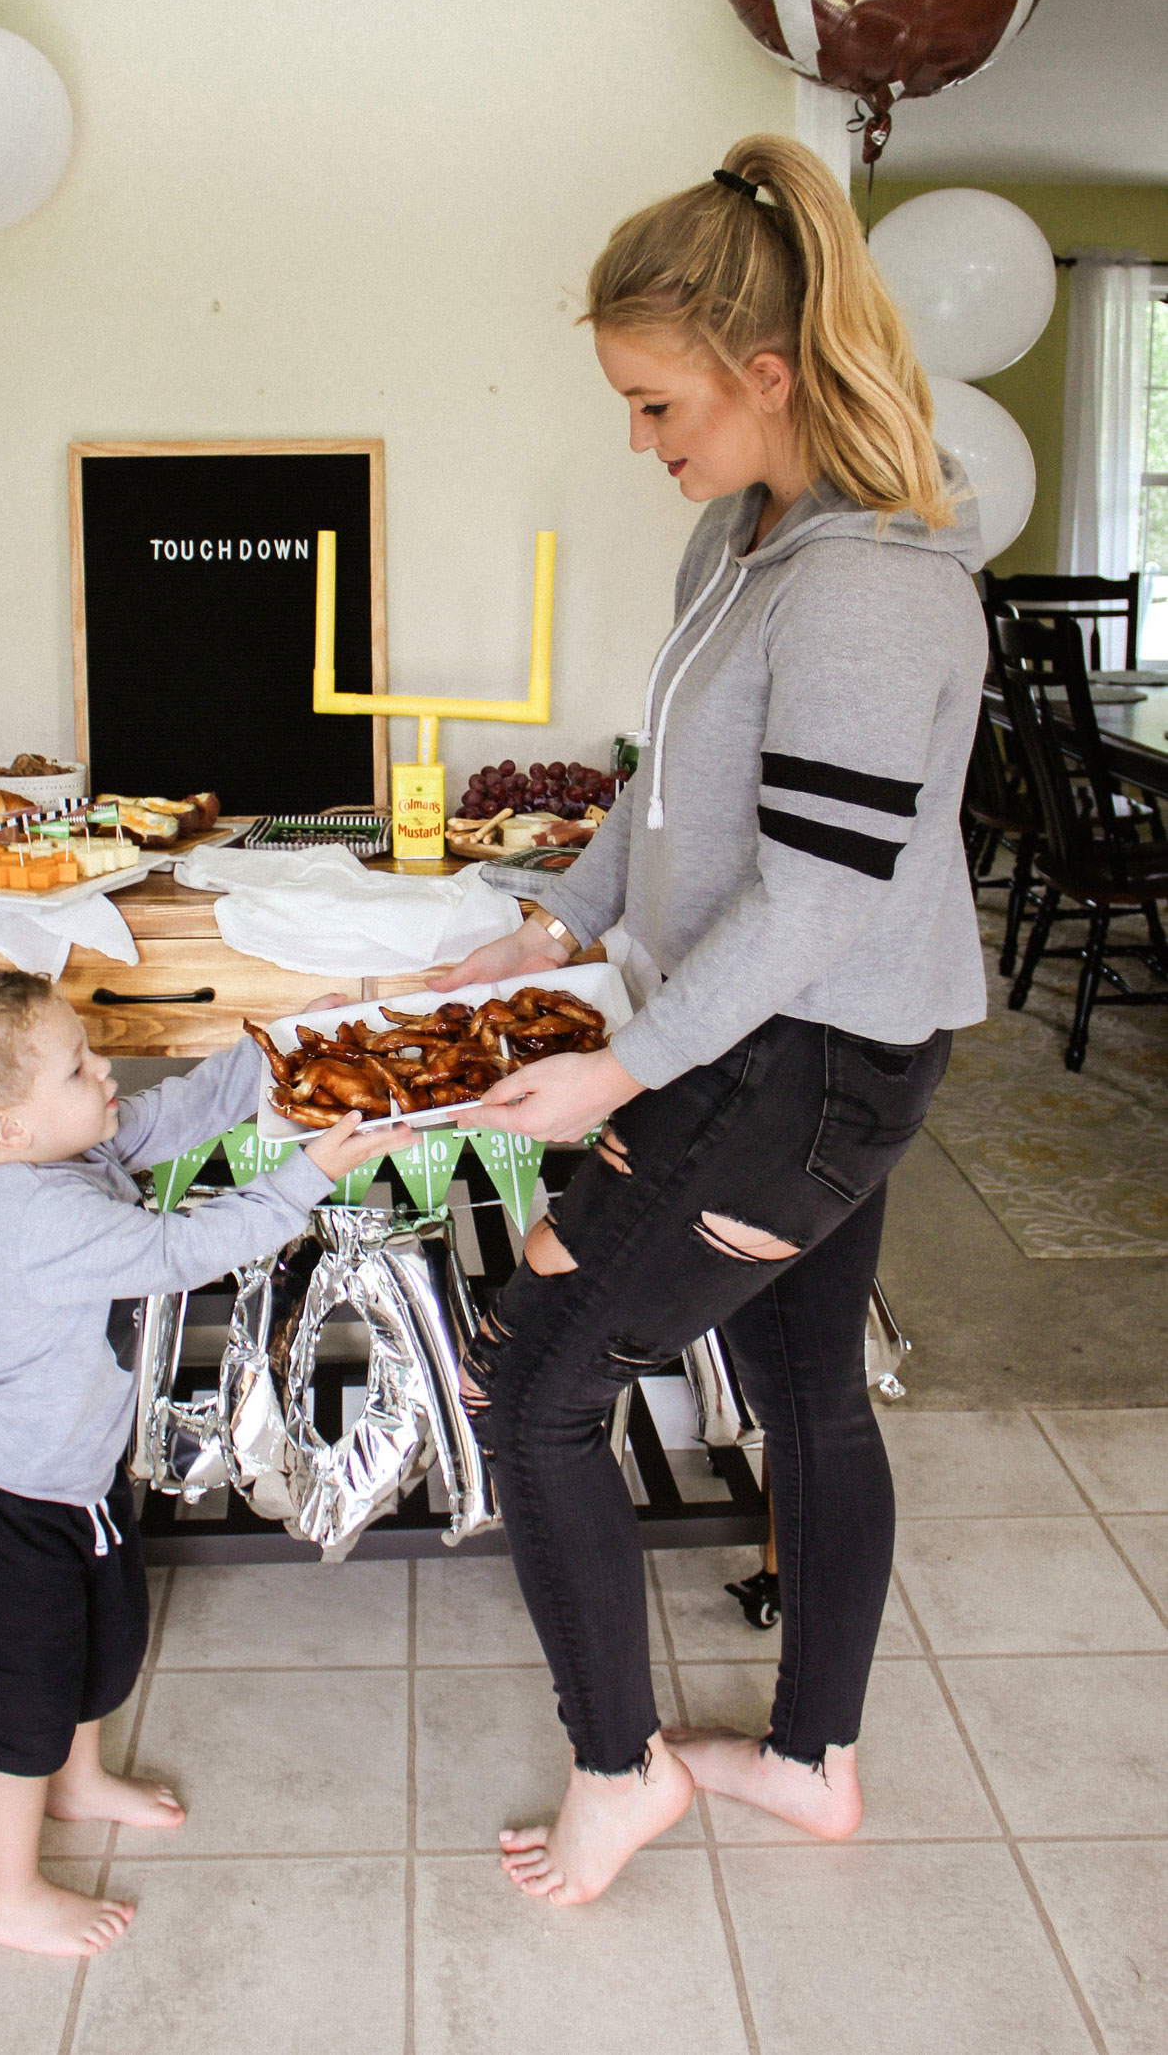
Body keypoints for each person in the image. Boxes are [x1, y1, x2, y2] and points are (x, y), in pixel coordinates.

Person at [429, 134, 988, 1906]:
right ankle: (810, 1763)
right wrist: (556, 918)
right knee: (805, 1388)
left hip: (805, 1062)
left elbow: (815, 901)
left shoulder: (873, 587)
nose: (638, 436)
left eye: (656, 400)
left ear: (766, 374)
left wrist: (617, 1061)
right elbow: (663, 789)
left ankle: (621, 1774)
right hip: (766, 1042)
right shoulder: (733, 538)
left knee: (535, 1395)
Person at [0, 970, 408, 1958]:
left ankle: (77, 1783)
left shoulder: (67, 1149)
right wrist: (310, 1175)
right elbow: (181, 1251)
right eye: (79, 1067)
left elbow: (182, 1108)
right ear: (5, 1129)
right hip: (5, 1507)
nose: (106, 1070)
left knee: (97, 1646)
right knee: (17, 1698)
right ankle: (6, 1891)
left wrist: (297, 1038)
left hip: (79, 1485)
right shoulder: (38, 1215)